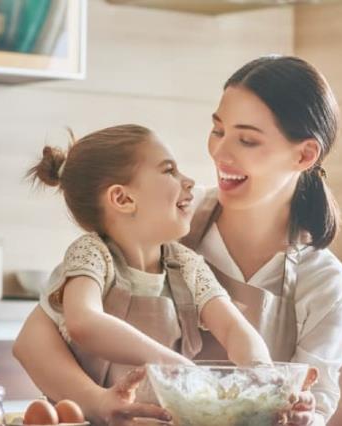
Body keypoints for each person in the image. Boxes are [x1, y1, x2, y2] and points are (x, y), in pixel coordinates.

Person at [14, 56, 342, 426]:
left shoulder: (323, 282)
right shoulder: (169, 221)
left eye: (248, 140)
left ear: (304, 154)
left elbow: (315, 403)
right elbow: (35, 342)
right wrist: (99, 402)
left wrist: (299, 412)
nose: (220, 154)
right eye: (218, 130)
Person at [22, 124, 272, 411]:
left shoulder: (187, 265)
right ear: (123, 199)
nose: (189, 181)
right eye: (169, 171)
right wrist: (172, 364)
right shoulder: (92, 254)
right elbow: (84, 322)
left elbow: (232, 329)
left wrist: (265, 378)